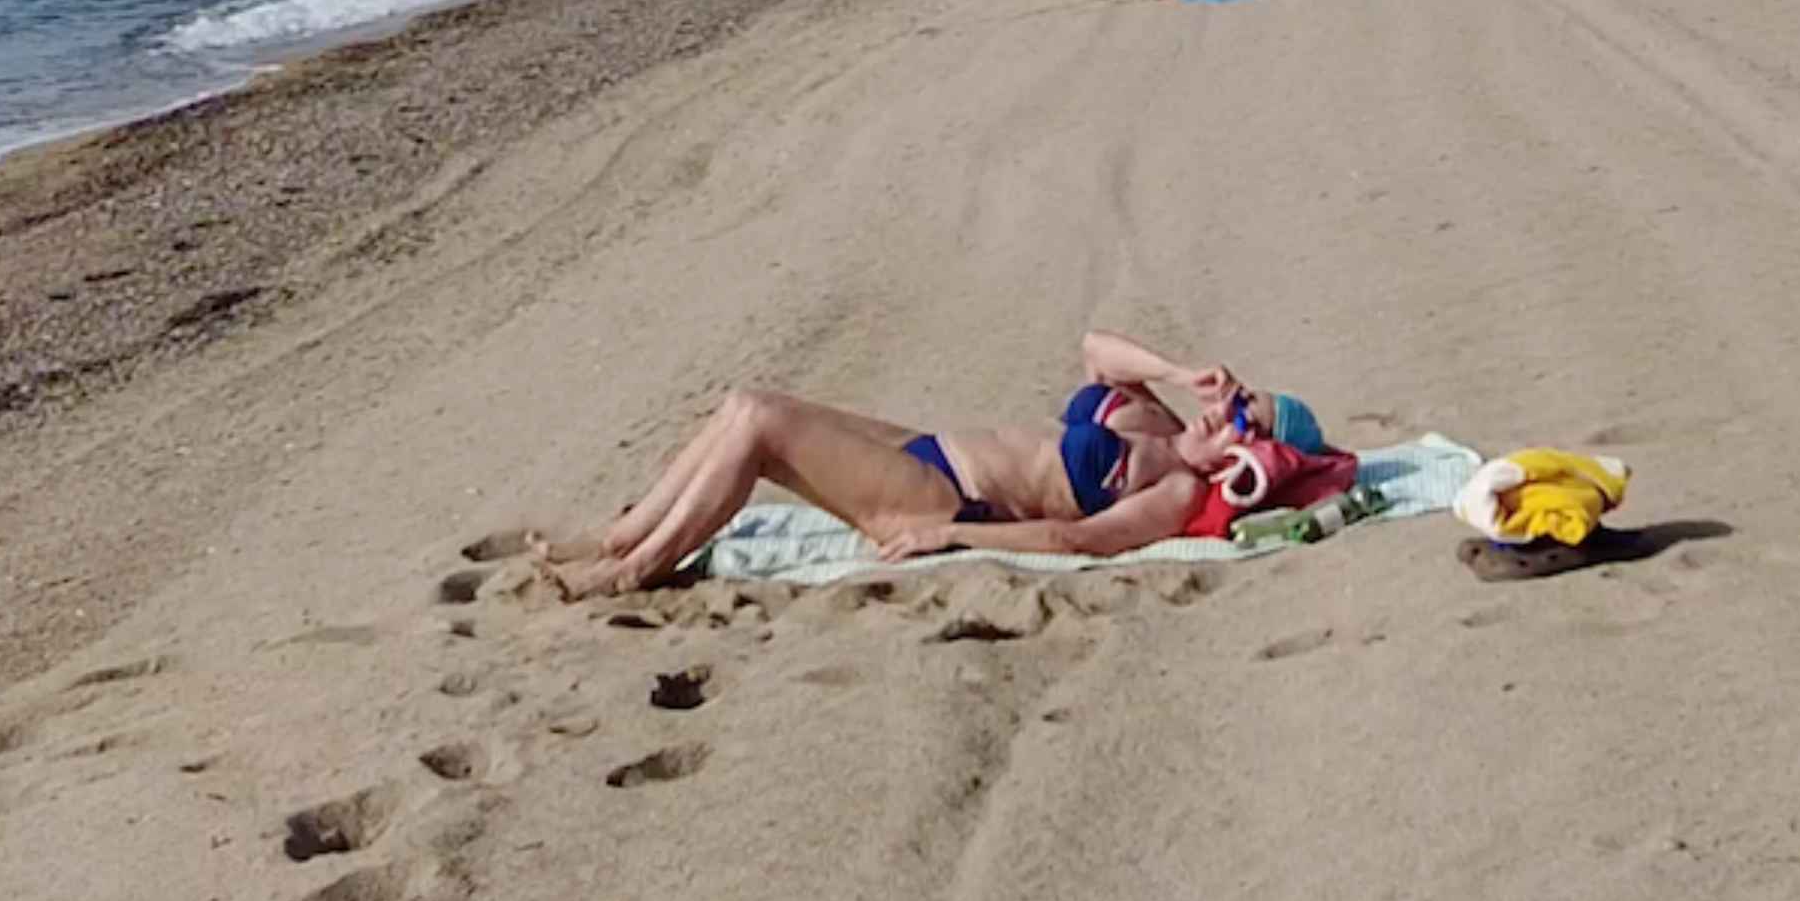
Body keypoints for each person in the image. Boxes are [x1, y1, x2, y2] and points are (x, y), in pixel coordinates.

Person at [537, 331, 1352, 598]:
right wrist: (1182, 373)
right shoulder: (1154, 417)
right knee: (741, 403)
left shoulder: (1173, 491)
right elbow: (1095, 346)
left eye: (1241, 417)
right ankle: (622, 540)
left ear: (1249, 458)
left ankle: (637, 569)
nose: (1225, 408)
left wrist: (953, 541)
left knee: (760, 424)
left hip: (946, 497)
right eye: (1236, 395)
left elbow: (1083, 545)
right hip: (927, 448)